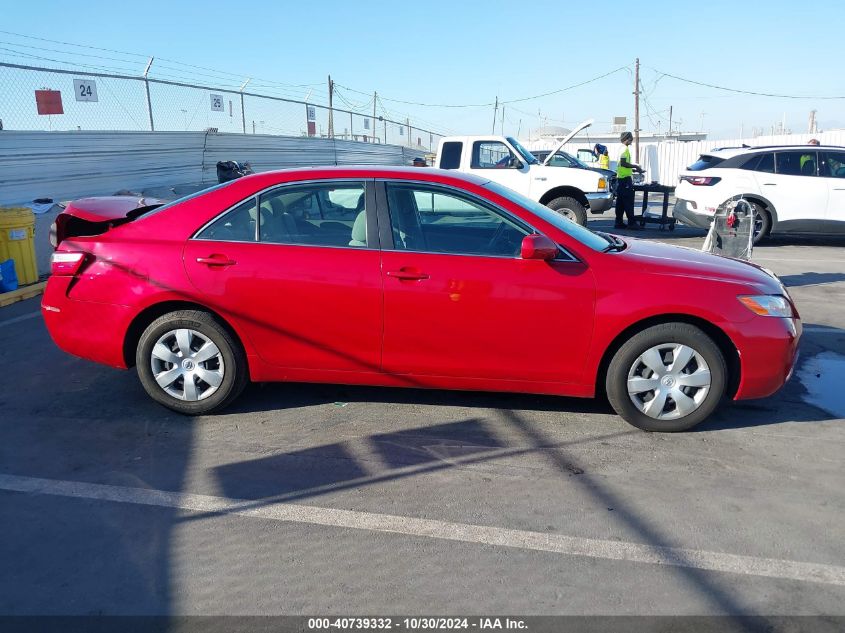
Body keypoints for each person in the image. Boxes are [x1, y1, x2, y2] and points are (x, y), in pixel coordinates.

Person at [614, 132, 644, 229]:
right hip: (625, 180)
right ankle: (631, 223)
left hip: (621, 179)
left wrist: (635, 169)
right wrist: (635, 166)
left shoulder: (620, 148)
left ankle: (618, 222)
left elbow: (623, 165)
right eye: (631, 139)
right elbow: (623, 163)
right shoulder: (624, 149)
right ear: (627, 139)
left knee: (621, 202)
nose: (632, 141)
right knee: (628, 201)